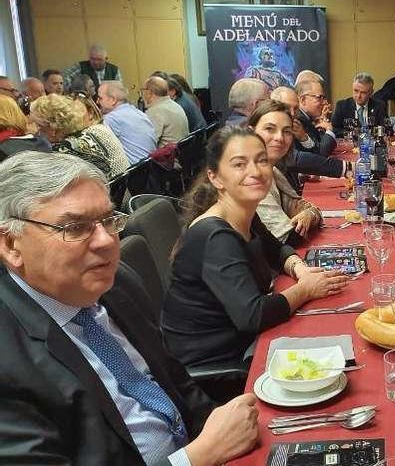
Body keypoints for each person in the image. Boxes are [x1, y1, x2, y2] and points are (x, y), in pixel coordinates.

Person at [0, 151, 261, 465]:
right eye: (75, 228)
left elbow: (178, 385)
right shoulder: (9, 359)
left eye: (108, 220)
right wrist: (197, 457)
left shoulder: (117, 282)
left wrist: (225, 432)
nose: (106, 241)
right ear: (11, 245)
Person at [162, 126, 349, 369]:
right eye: (240, 164)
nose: (255, 171)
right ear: (215, 177)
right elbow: (253, 316)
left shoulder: (243, 211)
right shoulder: (216, 236)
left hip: (242, 342)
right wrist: (305, 290)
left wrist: (300, 269)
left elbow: (277, 250)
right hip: (222, 365)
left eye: (261, 161)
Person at [249, 100, 322, 243]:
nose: (279, 138)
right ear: (251, 132)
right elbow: (288, 237)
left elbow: (302, 207)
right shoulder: (252, 177)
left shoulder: (273, 170)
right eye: (270, 129)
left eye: (286, 131)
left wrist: (310, 214)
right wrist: (312, 215)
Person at [29, 94, 127, 178]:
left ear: (53, 128)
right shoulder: (96, 130)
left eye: (38, 125)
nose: (35, 131)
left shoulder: (67, 150)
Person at [98, 81, 158, 164]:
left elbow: (96, 149)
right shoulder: (138, 113)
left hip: (135, 173)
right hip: (150, 169)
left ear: (112, 100)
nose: (97, 102)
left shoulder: (111, 118)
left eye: (100, 98)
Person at [294, 79, 338, 156]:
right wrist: (329, 129)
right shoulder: (299, 120)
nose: (324, 102)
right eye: (319, 97)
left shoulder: (308, 118)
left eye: (323, 98)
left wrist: (322, 121)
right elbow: (321, 153)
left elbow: (319, 144)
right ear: (303, 100)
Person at [142, 76, 189, 147]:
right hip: (181, 153)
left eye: (143, 90)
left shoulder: (155, 112)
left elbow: (146, 143)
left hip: (168, 156)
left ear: (149, 93)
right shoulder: (175, 105)